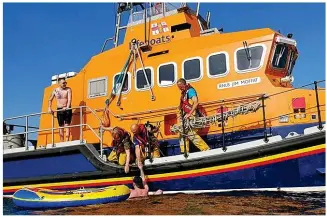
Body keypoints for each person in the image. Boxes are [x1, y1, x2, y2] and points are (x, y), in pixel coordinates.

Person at [176, 78, 210, 154]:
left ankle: (205, 149)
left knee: (190, 133)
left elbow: (195, 102)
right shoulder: (184, 93)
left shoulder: (190, 91)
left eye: (179, 86)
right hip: (185, 117)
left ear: (182, 84)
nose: (178, 88)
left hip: (192, 117)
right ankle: (184, 151)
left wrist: (189, 113)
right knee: (182, 132)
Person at [48, 78, 72, 142]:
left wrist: (67, 107)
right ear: (59, 83)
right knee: (61, 125)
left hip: (67, 108)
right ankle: (61, 140)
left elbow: (69, 99)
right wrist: (49, 107)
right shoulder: (55, 90)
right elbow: (50, 99)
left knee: (67, 125)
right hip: (59, 109)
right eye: (63, 83)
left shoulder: (68, 89)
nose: (65, 84)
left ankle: (67, 140)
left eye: (65, 83)